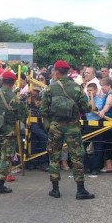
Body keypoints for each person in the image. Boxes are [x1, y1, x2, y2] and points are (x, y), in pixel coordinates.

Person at [40, 60, 94, 200]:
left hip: (55, 127)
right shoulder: (76, 87)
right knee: (77, 157)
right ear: (68, 71)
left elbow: (43, 110)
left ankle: (55, 190)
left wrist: (48, 126)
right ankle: (80, 190)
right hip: (73, 127)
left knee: (54, 157)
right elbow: (87, 108)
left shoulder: (50, 88)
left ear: (57, 71)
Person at [0, 70, 26, 194]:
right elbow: (23, 115)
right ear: (13, 83)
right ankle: (0, 185)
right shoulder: (14, 98)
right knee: (6, 157)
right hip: (7, 133)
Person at [97, 78, 112, 172]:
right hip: (111, 122)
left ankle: (109, 165)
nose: (102, 88)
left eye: (103, 86)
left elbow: (108, 105)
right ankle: (110, 164)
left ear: (109, 85)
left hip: (110, 122)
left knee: (108, 144)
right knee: (110, 144)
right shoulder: (111, 94)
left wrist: (102, 112)